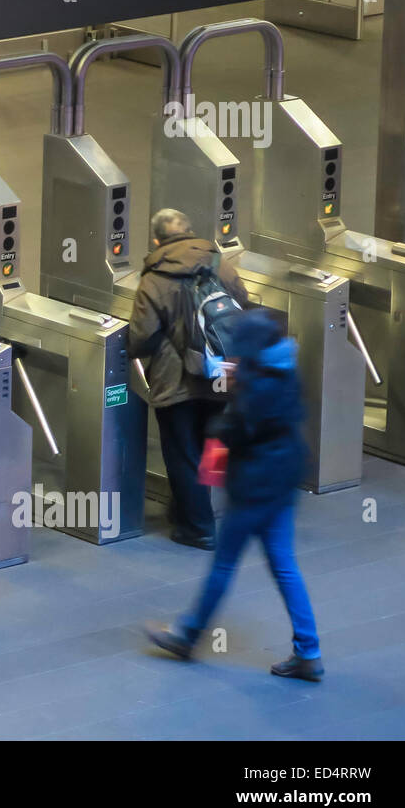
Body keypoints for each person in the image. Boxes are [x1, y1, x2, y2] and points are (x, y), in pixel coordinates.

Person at [145, 309, 324, 682]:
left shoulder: (257, 384)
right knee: (284, 566)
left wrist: (222, 412)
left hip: (254, 486)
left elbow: (236, 430)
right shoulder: (284, 366)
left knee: (224, 564)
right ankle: (309, 651)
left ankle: (187, 636)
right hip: (281, 482)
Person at [129, 208, 248, 551]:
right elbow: (241, 303)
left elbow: (141, 335)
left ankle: (198, 526)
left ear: (156, 239)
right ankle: (192, 506)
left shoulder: (155, 277)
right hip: (220, 371)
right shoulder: (218, 264)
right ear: (191, 232)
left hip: (176, 376)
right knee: (212, 444)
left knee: (183, 452)